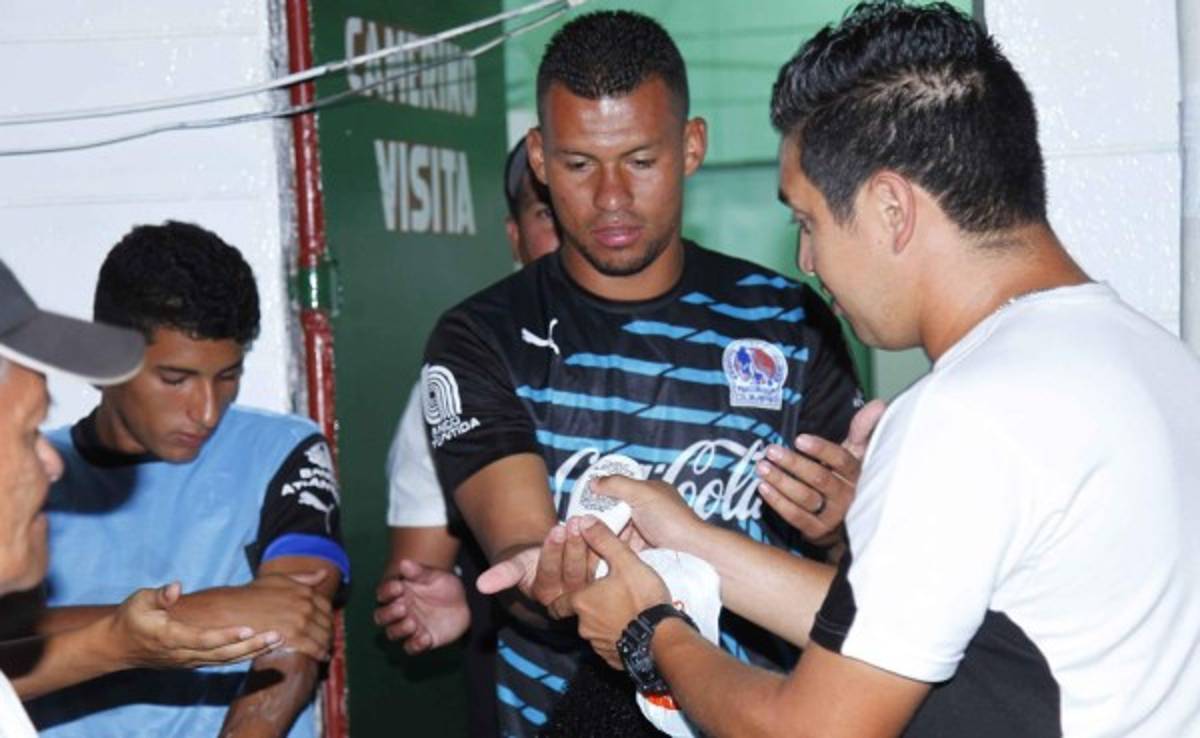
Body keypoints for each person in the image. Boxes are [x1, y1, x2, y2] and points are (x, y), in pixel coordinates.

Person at [555, 3, 1200, 736]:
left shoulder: (965, 415)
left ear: (891, 208)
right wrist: (686, 537)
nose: (807, 261)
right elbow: (901, 635)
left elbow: (813, 731)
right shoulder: (1153, 357)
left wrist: (649, 633)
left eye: (808, 223)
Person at [420, 11, 862, 737]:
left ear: (691, 146)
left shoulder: (791, 320)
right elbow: (520, 548)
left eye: (640, 160)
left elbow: (851, 566)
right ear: (538, 156)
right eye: (579, 164)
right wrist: (546, 576)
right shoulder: (482, 335)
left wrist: (840, 528)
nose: (612, 198)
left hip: (762, 714)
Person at [12, 223, 348, 738]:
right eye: (175, 379)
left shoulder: (280, 449)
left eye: (228, 376)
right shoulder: (21, 468)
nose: (207, 411)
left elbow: (292, 626)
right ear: (108, 363)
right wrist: (193, 613)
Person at [374, 138, 560, 738]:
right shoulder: (459, 376)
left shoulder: (701, 345)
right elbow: (415, 585)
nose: (578, 223)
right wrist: (462, 601)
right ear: (514, 236)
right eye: (546, 214)